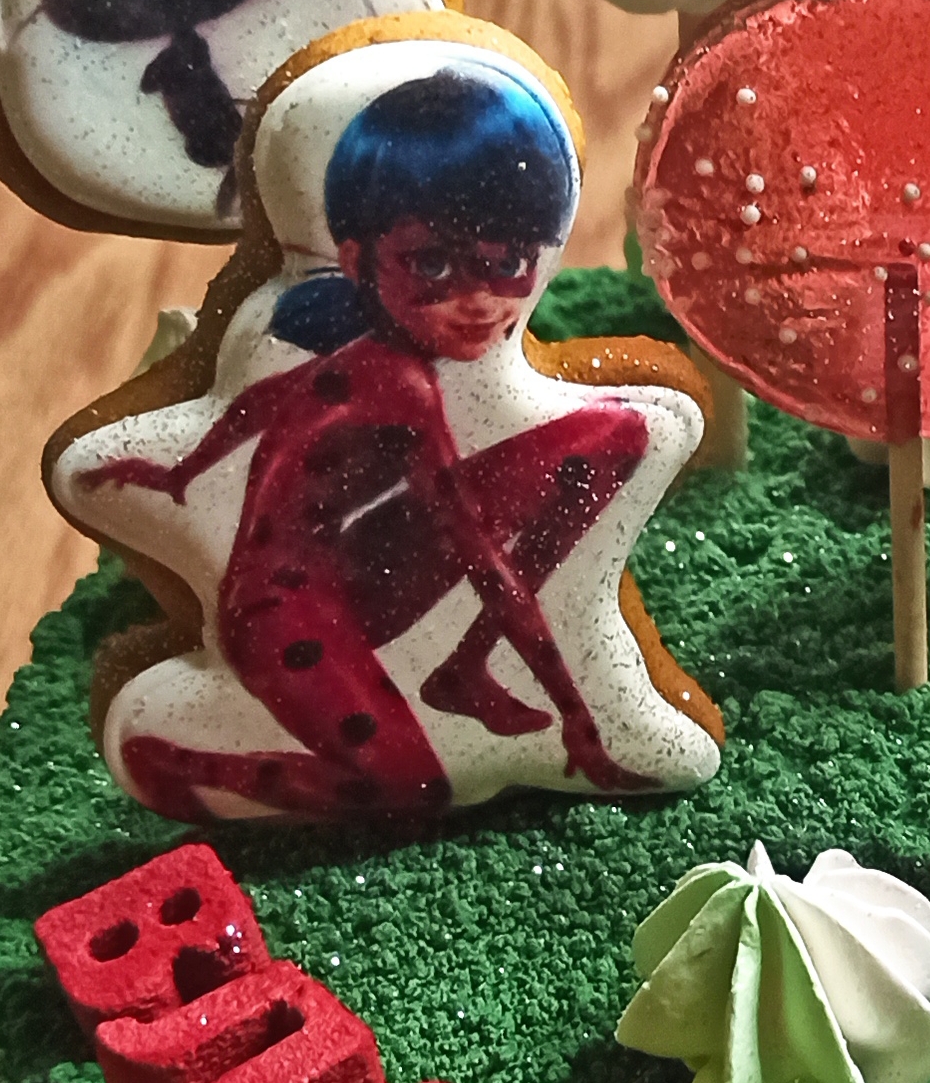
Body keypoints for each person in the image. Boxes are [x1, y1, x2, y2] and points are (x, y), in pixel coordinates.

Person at [77, 65, 654, 818]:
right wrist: (576, 718)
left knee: (615, 432)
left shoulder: (358, 359)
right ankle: (182, 757)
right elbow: (483, 561)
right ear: (356, 259)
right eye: (432, 264)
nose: (478, 301)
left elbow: (263, 403)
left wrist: (182, 472)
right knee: (416, 782)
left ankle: (466, 667)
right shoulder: (405, 389)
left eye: (509, 263)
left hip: (361, 564)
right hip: (283, 615)